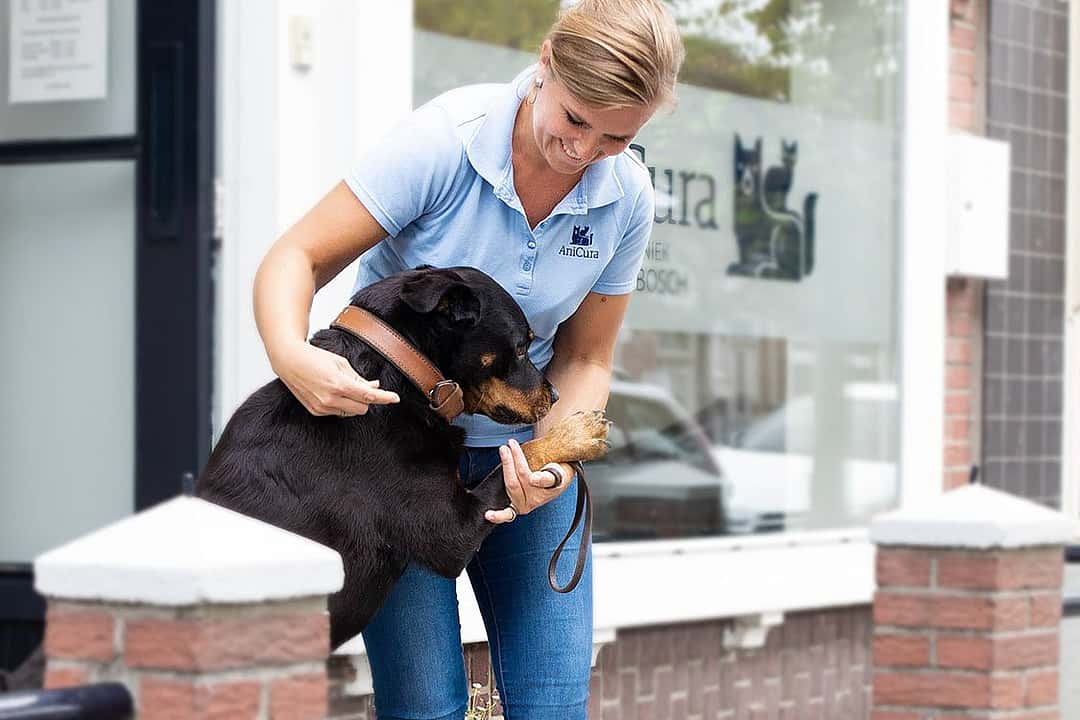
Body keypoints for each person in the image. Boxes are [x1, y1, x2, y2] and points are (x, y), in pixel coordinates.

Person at [253, 1, 683, 717]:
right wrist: (291, 356)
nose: (584, 151)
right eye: (575, 120)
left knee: (552, 708)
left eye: (616, 137)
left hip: (524, 462)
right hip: (394, 465)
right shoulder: (444, 143)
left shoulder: (627, 197)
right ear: (546, 63)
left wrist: (554, 462)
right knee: (426, 709)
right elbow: (296, 257)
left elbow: (586, 357)